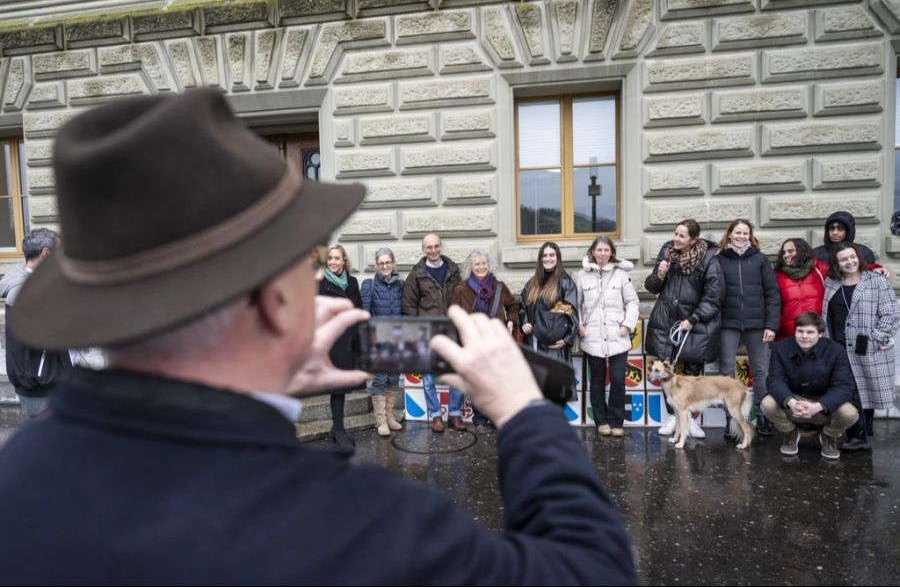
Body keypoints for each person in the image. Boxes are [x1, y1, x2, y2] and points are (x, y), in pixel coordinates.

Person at [0, 90, 637, 584]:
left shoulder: (18, 478)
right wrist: (525, 414)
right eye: (302, 267)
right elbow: (594, 570)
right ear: (275, 302)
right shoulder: (364, 526)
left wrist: (259, 376)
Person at [645, 218, 724, 439]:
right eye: (675, 234)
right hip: (667, 319)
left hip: (694, 324)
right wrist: (660, 274)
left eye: (682, 236)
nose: (676, 239)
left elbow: (714, 296)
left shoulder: (709, 258)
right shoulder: (667, 252)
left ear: (694, 239)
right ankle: (673, 416)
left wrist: (694, 318)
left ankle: (690, 420)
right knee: (667, 371)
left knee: (692, 372)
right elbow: (652, 287)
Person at [822, 242, 900, 450]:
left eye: (852, 257)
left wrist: (876, 338)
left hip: (867, 346)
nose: (849, 262)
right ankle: (859, 434)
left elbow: (891, 314)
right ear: (837, 263)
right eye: (843, 259)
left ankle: (861, 435)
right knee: (850, 390)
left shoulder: (876, 281)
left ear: (859, 257)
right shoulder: (831, 282)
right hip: (838, 346)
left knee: (865, 389)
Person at [761, 312, 859, 460]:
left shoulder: (836, 351)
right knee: (767, 404)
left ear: (820, 334)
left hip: (823, 405)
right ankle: (790, 433)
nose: (804, 336)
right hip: (794, 404)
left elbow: (844, 386)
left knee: (850, 413)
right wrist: (791, 402)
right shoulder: (780, 348)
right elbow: (775, 380)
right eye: (800, 331)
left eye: (810, 332)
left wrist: (819, 406)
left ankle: (829, 436)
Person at [714, 219, 780, 436]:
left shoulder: (760, 260)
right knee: (727, 372)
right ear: (730, 235)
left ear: (750, 236)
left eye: (745, 233)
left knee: (760, 370)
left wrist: (771, 324)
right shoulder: (720, 259)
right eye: (737, 232)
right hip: (728, 323)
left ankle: (762, 417)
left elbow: (772, 294)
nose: (741, 236)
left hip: (757, 323)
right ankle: (731, 420)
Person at [0, 228, 72, 419]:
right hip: (40, 383)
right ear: (46, 253)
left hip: (41, 379)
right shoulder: (26, 291)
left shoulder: (34, 284)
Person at [450, 248, 519, 434]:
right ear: (470, 267)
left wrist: (512, 321)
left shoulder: (499, 286)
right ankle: (479, 420)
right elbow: (454, 315)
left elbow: (513, 306)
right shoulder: (460, 289)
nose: (481, 267)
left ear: (489, 265)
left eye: (483, 264)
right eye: (476, 264)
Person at [575, 236, 639, 437]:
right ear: (592, 251)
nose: (602, 253)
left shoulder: (621, 275)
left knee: (618, 380)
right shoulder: (581, 275)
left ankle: (616, 421)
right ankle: (601, 421)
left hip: (618, 337)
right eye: (599, 250)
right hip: (592, 337)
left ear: (611, 252)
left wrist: (628, 325)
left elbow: (632, 302)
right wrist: (579, 324)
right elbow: (576, 304)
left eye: (606, 250)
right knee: (597, 381)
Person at [401, 233, 464, 433]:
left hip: (452, 332)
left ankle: (454, 414)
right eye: (429, 247)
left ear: (441, 246)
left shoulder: (454, 271)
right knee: (428, 378)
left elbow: (462, 298)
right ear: (423, 249)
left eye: (436, 246)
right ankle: (436, 415)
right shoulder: (416, 275)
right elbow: (409, 306)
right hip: (428, 334)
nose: (434, 250)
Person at [318, 243, 365, 454]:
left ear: (344, 261)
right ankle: (339, 431)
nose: (334, 262)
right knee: (337, 388)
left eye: (337, 258)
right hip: (332, 341)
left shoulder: (353, 282)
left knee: (343, 387)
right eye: (330, 259)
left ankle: (336, 428)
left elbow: (359, 311)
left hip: (349, 341)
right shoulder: (320, 283)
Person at [360, 247, 404, 437]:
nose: (385, 266)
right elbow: (364, 315)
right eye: (381, 263)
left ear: (393, 264)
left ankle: (390, 416)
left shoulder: (400, 285)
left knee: (394, 377)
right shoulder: (369, 285)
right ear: (377, 266)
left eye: (388, 262)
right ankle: (380, 420)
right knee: (380, 378)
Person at [520, 242, 579, 367]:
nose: (548, 259)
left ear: (557, 258)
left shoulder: (565, 283)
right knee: (537, 382)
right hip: (534, 342)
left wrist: (567, 339)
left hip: (556, 346)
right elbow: (522, 305)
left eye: (551, 255)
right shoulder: (532, 283)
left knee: (556, 383)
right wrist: (524, 321)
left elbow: (571, 312)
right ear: (540, 259)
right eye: (544, 255)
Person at [773, 238, 830, 341]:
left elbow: (842, 273)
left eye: (790, 251)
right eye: (784, 252)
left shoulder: (819, 269)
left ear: (801, 251)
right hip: (787, 337)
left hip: (817, 334)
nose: (786, 255)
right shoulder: (777, 276)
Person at [813, 211, 889, 277]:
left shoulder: (864, 252)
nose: (835, 232)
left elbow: (868, 278)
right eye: (831, 228)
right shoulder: (816, 254)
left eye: (840, 229)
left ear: (848, 232)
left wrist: (874, 269)